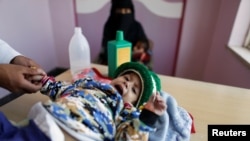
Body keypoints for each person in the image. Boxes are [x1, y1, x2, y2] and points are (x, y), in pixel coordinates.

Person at [36, 62, 166, 141]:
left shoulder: (127, 111)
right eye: (126, 77)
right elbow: (62, 88)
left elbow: (129, 137)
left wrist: (148, 117)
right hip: (50, 114)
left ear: (134, 104)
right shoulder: (89, 83)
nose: (127, 83)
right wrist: (43, 81)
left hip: (81, 135)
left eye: (134, 90)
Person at [96, 0, 153, 70]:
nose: (123, 13)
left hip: (134, 60)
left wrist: (140, 47)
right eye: (119, 10)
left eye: (126, 11)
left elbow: (144, 42)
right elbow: (105, 48)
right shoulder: (109, 26)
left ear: (131, 11)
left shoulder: (137, 26)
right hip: (113, 60)